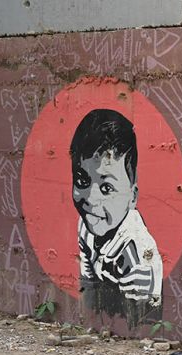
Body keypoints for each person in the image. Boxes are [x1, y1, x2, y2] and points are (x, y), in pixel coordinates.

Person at [71, 108, 163, 326]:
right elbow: (88, 283)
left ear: (132, 197)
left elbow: (141, 321)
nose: (91, 199)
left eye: (106, 188)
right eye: (83, 181)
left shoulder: (136, 250)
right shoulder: (87, 225)